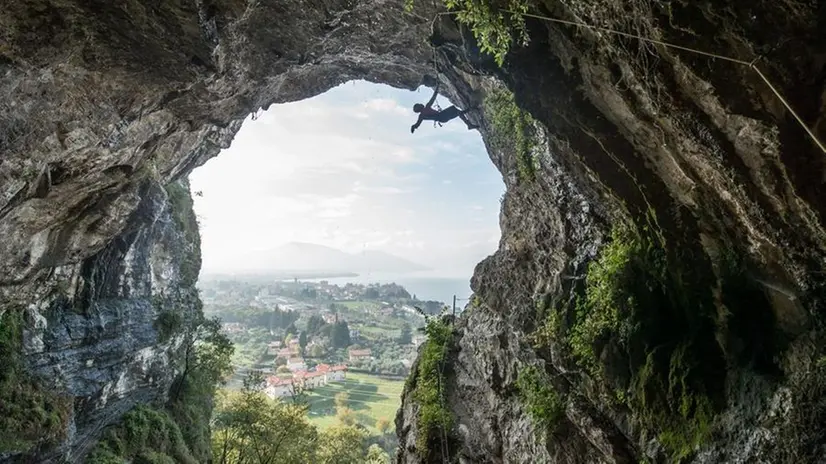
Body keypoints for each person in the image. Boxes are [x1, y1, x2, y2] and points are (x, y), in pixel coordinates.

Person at [410, 83, 478, 133]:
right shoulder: (426, 109)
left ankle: (469, 121)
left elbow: (417, 124)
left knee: (457, 112)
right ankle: (470, 114)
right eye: (419, 105)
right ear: (419, 108)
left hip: (442, 118)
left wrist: (413, 127)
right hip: (441, 116)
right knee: (455, 110)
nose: (421, 104)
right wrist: (437, 87)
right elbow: (433, 97)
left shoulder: (421, 116)